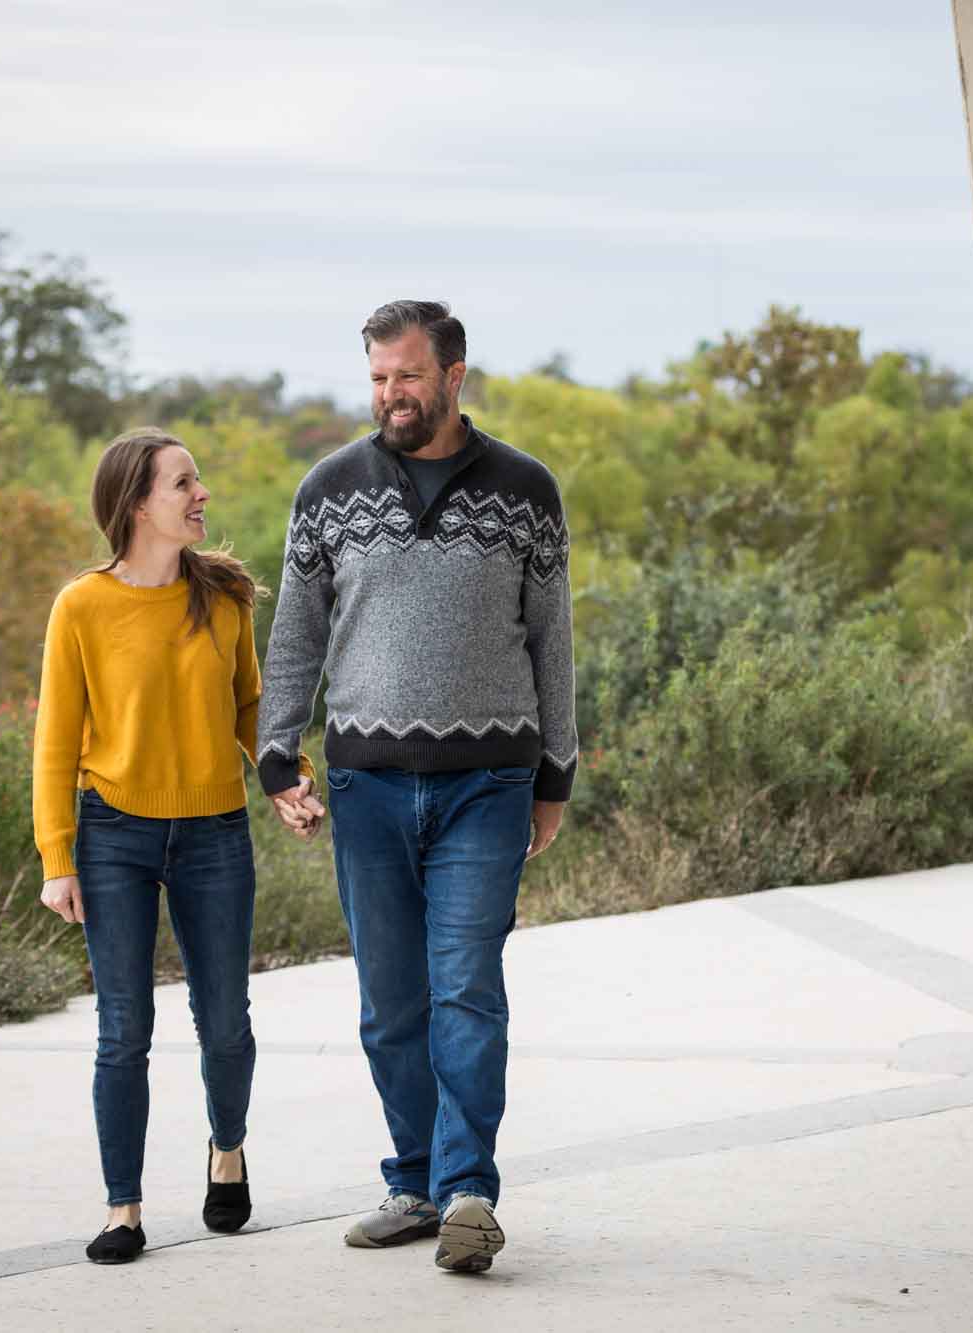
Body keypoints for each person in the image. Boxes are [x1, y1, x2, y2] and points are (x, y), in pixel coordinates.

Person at [257, 300, 576, 1274]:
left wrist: (554, 772)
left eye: (406, 375)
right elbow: (296, 634)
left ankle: (468, 1188)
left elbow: (552, 639)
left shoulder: (525, 488)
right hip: (367, 786)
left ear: (452, 374)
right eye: (377, 379)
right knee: (390, 1003)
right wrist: (278, 754)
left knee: (465, 989)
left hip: (488, 781)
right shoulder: (328, 489)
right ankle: (413, 1181)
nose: (391, 395)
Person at [32, 428, 316, 1265]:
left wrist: (286, 777)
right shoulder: (81, 605)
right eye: (183, 482)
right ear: (135, 503)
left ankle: (226, 1149)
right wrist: (57, 858)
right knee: (125, 1029)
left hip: (214, 831)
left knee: (225, 1022)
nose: (202, 494)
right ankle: (124, 1208)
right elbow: (55, 739)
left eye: (198, 479)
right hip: (112, 832)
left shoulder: (222, 596)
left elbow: (250, 708)